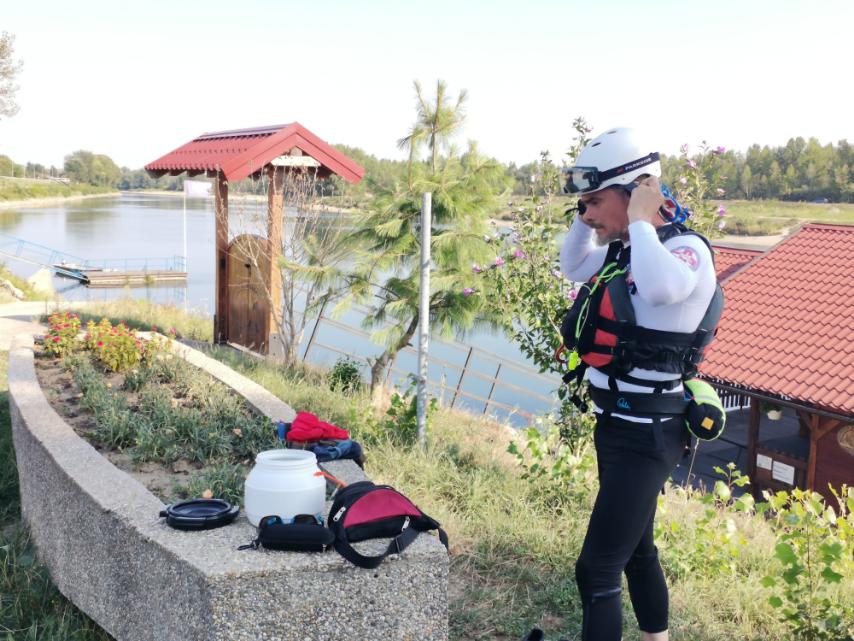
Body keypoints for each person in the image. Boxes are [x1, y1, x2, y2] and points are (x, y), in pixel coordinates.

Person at [557, 127, 721, 641]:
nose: (586, 213)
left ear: (634, 194)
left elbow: (661, 289)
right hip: (616, 425)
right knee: (637, 552)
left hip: (649, 433)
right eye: (582, 204)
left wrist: (642, 219)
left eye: (594, 201)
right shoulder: (628, 250)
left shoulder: (683, 250)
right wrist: (593, 217)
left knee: (597, 571)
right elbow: (572, 265)